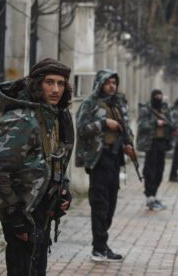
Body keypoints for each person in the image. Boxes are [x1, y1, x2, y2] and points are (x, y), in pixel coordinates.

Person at [0, 58, 74, 276]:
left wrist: (63, 188)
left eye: (61, 84)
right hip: (22, 212)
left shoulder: (53, 115)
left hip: (41, 209)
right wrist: (15, 218)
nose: (55, 89)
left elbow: (56, 156)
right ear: (36, 84)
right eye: (49, 82)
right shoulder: (23, 120)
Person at [75, 69, 134, 262]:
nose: (111, 86)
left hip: (115, 158)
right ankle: (99, 247)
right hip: (98, 159)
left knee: (111, 203)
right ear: (100, 83)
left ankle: (101, 243)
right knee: (99, 204)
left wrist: (128, 144)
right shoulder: (90, 104)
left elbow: (126, 127)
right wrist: (103, 123)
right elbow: (82, 129)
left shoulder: (117, 103)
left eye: (114, 83)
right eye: (107, 82)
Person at [137, 89, 177, 210]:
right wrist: (155, 123)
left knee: (160, 170)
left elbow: (171, 123)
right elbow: (141, 125)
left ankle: (154, 195)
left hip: (162, 143)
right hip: (151, 143)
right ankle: (149, 196)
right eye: (156, 96)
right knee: (150, 170)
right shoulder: (146, 109)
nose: (158, 98)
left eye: (160, 96)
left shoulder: (165, 110)